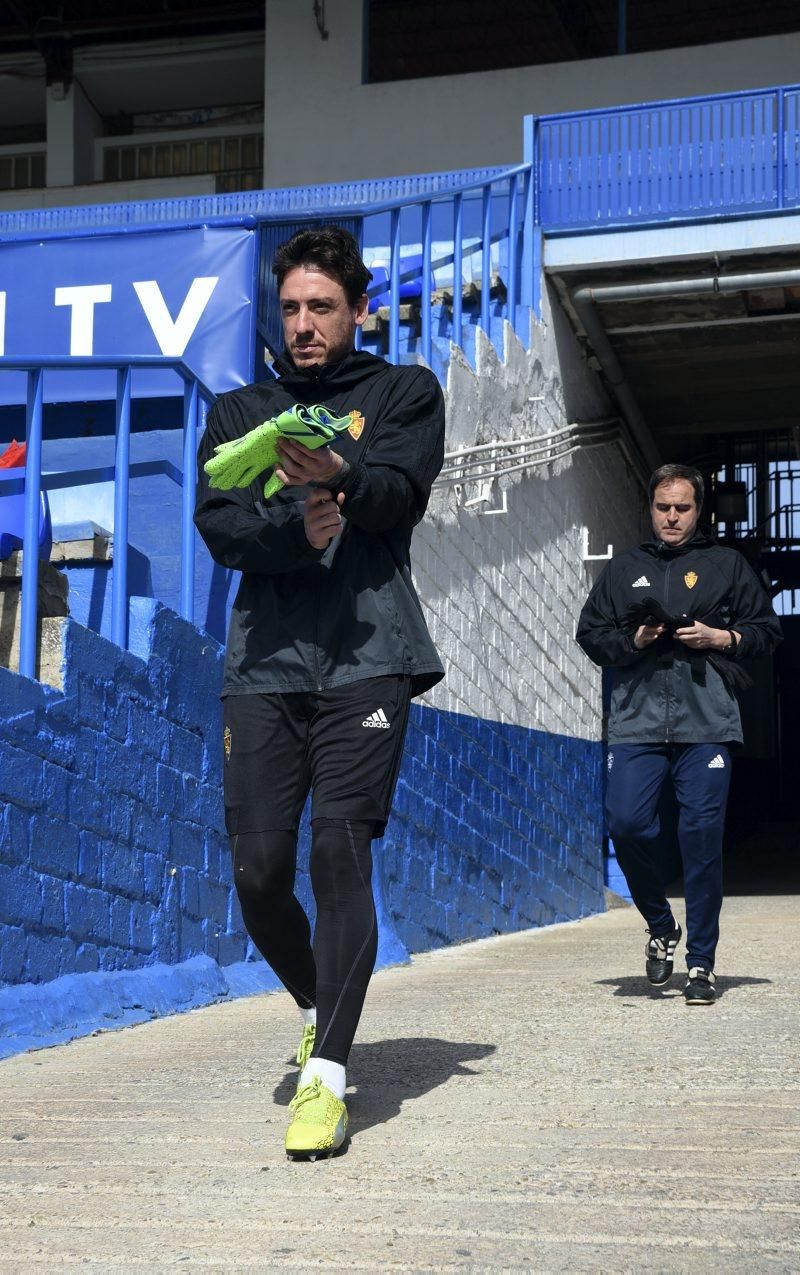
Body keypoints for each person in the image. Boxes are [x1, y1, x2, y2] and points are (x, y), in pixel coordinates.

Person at [194, 226, 445, 1157]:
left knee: (340, 850)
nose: (303, 324)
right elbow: (221, 522)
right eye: (291, 307)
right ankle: (319, 1001)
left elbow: (399, 493)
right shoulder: (238, 410)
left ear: (358, 310)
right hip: (263, 664)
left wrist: (341, 472)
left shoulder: (403, 392)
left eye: (321, 308)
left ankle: (328, 1079)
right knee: (260, 875)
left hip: (368, 654)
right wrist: (293, 531)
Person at [576, 464, 782, 1004]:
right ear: (650, 509)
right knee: (626, 822)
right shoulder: (625, 568)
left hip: (707, 721)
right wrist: (637, 639)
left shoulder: (726, 565)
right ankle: (661, 925)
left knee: (701, 841)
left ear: (699, 511)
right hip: (636, 719)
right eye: (663, 507)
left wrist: (722, 636)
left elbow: (767, 631)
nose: (672, 517)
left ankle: (702, 965)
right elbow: (590, 633)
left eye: (683, 508)